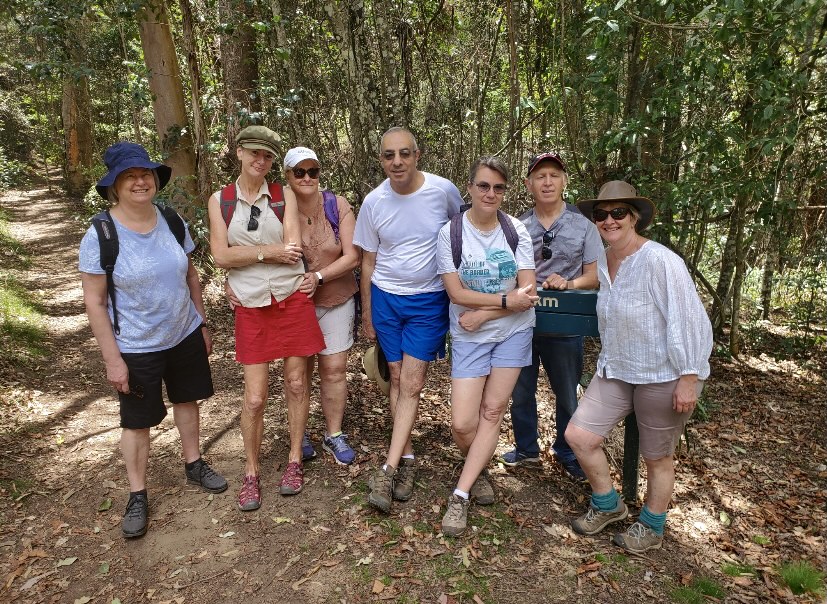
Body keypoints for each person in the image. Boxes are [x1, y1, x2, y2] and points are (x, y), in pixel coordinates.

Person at [80, 142, 227, 539]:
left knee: (187, 400)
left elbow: (191, 275)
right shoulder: (101, 234)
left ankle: (194, 463)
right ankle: (137, 493)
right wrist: (113, 360)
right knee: (137, 422)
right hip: (136, 345)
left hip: (182, 333)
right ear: (115, 186)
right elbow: (94, 302)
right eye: (130, 176)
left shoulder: (170, 218)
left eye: (145, 174)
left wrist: (202, 323)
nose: (140, 181)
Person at [566, 180, 712, 553]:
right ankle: (608, 504)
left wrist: (689, 376)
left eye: (618, 213)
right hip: (616, 368)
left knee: (657, 456)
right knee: (579, 437)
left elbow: (689, 319)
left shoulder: (661, 261)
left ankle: (651, 525)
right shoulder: (603, 260)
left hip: (662, 373)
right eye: (602, 215)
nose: (609, 221)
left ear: (634, 218)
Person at [208, 126, 324, 511]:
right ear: (239, 152)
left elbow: (292, 250)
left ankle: (293, 460)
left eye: (269, 156)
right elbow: (220, 257)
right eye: (255, 153)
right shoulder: (221, 200)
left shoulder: (283, 194)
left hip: (290, 298)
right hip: (252, 304)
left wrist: (253, 252)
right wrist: (266, 252)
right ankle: (252, 471)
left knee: (295, 382)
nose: (261, 161)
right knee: (256, 397)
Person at [353, 126, 463, 513]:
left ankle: (389, 466)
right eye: (388, 155)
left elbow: (462, 234)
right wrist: (367, 312)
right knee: (395, 379)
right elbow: (368, 261)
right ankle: (408, 458)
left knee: (412, 383)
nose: (396, 162)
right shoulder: (373, 202)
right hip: (386, 299)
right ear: (381, 160)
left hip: (428, 300)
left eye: (404, 153)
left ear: (417, 155)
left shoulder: (443, 191)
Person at [227, 146, 360, 465]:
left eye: (312, 171)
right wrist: (230, 280)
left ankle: (334, 432)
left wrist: (319, 276)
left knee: (334, 368)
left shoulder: (335, 204)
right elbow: (245, 248)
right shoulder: (271, 204)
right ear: (286, 175)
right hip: (290, 301)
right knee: (297, 376)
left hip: (334, 297)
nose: (307, 177)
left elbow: (353, 255)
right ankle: (298, 439)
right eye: (298, 172)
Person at [436, 157, 538, 536]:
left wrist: (486, 314)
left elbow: (527, 293)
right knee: (462, 422)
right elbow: (456, 292)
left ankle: (460, 494)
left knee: (492, 411)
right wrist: (500, 304)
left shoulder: (516, 231)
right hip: (468, 335)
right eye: (483, 186)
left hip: (512, 331)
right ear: (470, 187)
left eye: (498, 187)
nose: (490, 194)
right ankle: (475, 466)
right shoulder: (452, 233)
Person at [500, 151, 603, 480]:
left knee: (566, 390)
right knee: (520, 389)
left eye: (554, 176)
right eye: (540, 176)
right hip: (523, 320)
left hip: (564, 322)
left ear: (564, 181)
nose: (547, 182)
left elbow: (595, 275)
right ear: (529, 184)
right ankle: (527, 448)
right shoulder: (517, 225)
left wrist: (568, 282)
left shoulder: (583, 225)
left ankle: (568, 451)